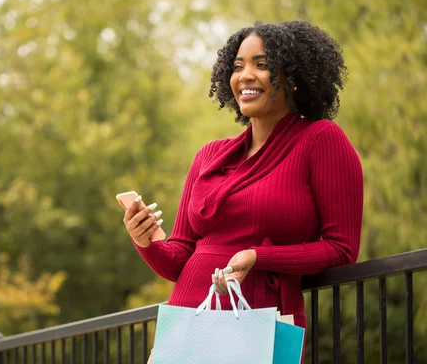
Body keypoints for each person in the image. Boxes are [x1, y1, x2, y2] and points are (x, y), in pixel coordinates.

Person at [123, 20, 363, 362]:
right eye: (237, 67)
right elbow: (180, 258)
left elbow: (341, 249)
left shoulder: (320, 140)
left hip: (258, 323)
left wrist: (258, 257)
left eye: (261, 65)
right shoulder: (209, 155)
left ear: (293, 78)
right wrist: (145, 240)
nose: (245, 75)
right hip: (187, 321)